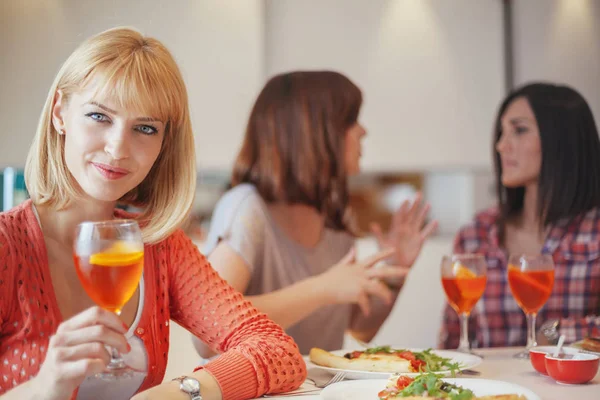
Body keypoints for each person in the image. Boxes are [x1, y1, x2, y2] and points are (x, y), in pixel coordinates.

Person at [0, 27, 305, 400]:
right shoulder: (7, 248)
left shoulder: (159, 246)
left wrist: (181, 393)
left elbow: (277, 350)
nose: (117, 148)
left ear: (163, 143)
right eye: (99, 116)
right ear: (60, 113)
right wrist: (45, 386)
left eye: (145, 128)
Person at [193, 71, 437, 357]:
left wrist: (394, 273)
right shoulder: (247, 209)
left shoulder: (335, 220)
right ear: (314, 133)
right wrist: (323, 288)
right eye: (351, 120)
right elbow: (209, 332)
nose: (363, 131)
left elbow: (360, 328)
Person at [439, 83, 600, 349]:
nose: (501, 145)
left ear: (561, 138)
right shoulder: (475, 235)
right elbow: (452, 344)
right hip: (493, 390)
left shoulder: (594, 233)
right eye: (501, 133)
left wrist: (553, 332)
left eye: (519, 130)